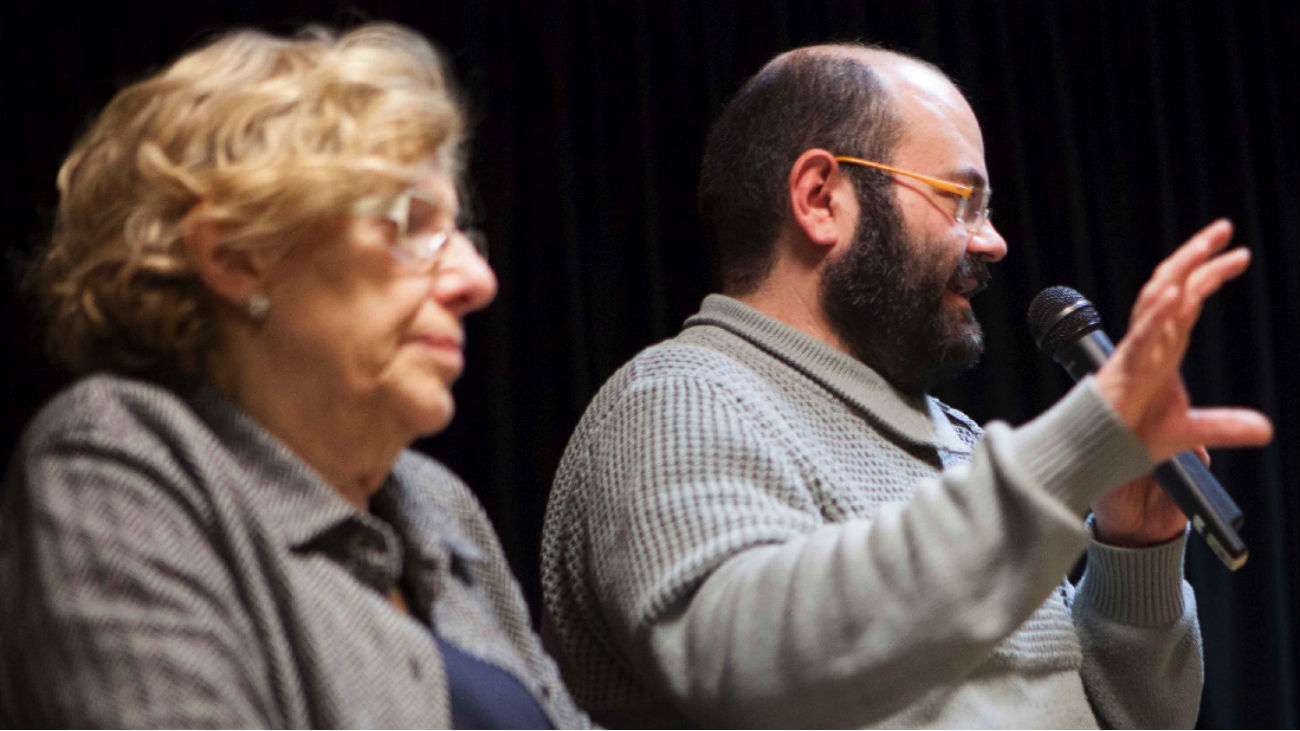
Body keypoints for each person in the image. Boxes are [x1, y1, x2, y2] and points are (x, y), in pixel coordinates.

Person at [540, 44, 1273, 728]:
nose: (992, 240)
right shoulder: (680, 401)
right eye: (960, 198)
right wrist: (1074, 448)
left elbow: (1135, 716)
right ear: (822, 197)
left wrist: (1131, 555)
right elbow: (751, 668)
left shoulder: (957, 437)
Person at [0, 24, 587, 728]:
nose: (477, 278)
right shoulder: (119, 465)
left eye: (462, 232)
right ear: (238, 254)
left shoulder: (438, 504)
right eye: (412, 223)